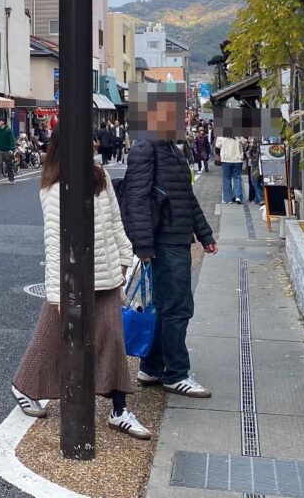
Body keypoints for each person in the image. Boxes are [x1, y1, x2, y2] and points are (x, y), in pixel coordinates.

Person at [10, 130, 151, 440]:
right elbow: (54, 243)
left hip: (106, 272)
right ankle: (24, 386)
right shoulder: (54, 187)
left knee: (112, 337)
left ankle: (119, 409)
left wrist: (125, 255)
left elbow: (115, 220)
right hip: (73, 278)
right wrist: (57, 292)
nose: (91, 145)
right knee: (49, 339)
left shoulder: (99, 176)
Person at [121, 81, 217, 398]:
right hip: (164, 241)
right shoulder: (146, 148)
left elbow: (186, 197)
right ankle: (176, 373)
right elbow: (136, 199)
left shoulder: (171, 148)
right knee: (177, 307)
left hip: (175, 238)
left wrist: (205, 234)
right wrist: (143, 246)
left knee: (164, 307)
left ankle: (151, 367)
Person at [216, 130, 245, 204]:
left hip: (226, 159)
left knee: (226, 179)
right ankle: (238, 196)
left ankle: (227, 199)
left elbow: (218, 145)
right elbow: (244, 142)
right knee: (237, 178)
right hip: (237, 159)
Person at [0, 117, 16, 182]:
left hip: (7, 150)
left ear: (3, 122)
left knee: (9, 165)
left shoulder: (8, 130)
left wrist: (11, 149)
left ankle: (11, 179)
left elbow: (11, 140)